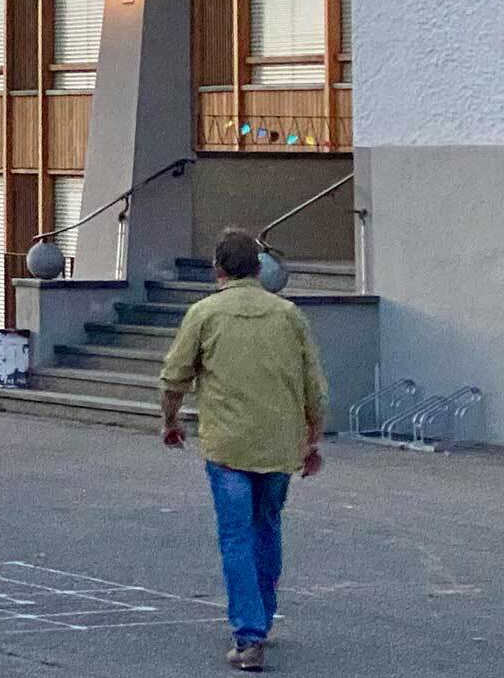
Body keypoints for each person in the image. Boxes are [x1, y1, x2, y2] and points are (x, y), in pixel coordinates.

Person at [159, 229, 327, 673]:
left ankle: (249, 635)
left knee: (236, 536)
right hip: (279, 444)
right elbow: (315, 386)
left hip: (228, 445)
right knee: (267, 527)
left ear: (217, 269)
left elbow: (174, 377)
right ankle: (263, 618)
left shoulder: (204, 314)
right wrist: (313, 438)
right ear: (259, 268)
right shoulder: (289, 316)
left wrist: (170, 422)